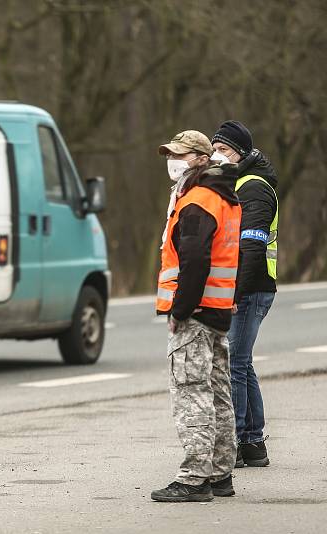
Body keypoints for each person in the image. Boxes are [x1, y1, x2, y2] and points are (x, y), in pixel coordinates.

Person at [151, 130, 240, 502]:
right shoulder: (223, 196)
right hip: (218, 309)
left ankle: (194, 478)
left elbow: (195, 260)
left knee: (192, 393)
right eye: (172, 153)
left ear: (202, 159)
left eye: (183, 154)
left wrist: (179, 309)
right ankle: (220, 474)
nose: (175, 161)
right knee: (218, 391)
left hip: (197, 312)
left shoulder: (198, 200)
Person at [211, 120, 278, 468]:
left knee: (234, 364)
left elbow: (252, 247)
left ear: (241, 152)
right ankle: (253, 443)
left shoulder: (253, 187)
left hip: (250, 287)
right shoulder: (238, 182)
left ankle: (237, 441)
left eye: (223, 150)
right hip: (250, 286)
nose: (217, 156)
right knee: (243, 363)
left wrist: (234, 293)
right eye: (215, 149)